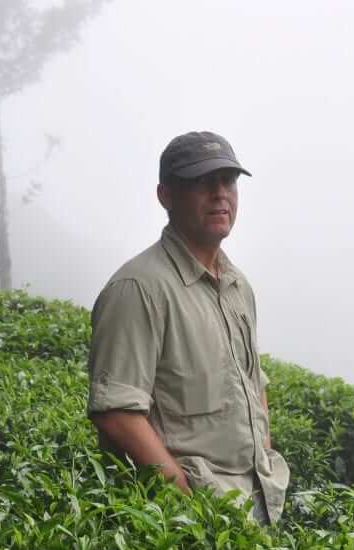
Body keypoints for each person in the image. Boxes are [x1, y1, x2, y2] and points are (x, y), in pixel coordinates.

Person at [87, 131, 289, 523]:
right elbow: (116, 412)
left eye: (228, 181)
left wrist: (263, 459)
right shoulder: (139, 288)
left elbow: (254, 384)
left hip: (256, 508)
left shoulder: (237, 286)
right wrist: (185, 503)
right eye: (201, 181)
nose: (219, 194)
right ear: (166, 196)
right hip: (191, 523)